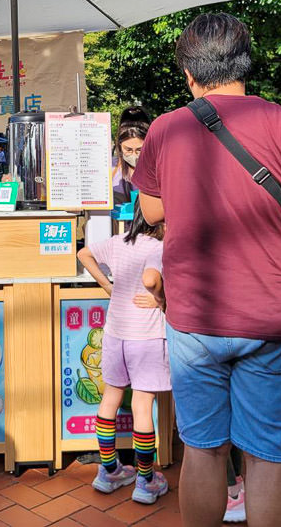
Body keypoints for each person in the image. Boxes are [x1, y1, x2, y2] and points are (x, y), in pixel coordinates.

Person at [131, 13, 281, 527]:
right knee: (267, 459)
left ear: (188, 73)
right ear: (245, 64)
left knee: (204, 451)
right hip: (272, 317)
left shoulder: (167, 128)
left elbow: (150, 212)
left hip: (194, 317)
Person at [76, 203, 170, 505]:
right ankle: (145, 481)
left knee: (110, 398)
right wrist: (161, 299)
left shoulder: (119, 242)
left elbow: (83, 254)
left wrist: (108, 285)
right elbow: (150, 279)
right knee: (143, 405)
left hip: (115, 333)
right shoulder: (158, 247)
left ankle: (109, 471)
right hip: (147, 337)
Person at [113, 122, 150, 205]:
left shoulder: (158, 169)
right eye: (128, 150)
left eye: (139, 150)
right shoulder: (111, 168)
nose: (134, 155)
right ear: (119, 146)